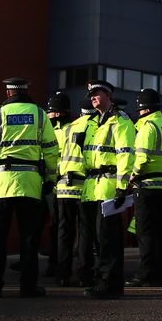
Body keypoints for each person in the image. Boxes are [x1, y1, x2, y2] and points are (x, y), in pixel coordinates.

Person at [0, 76, 59, 298]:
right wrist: (50, 179)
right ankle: (28, 287)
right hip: (30, 184)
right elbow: (51, 150)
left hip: (2, 184)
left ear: (9, 93)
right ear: (26, 91)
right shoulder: (40, 114)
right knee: (29, 237)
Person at [81, 79, 135, 299]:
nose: (92, 97)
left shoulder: (120, 120)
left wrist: (122, 187)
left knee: (108, 239)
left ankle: (110, 285)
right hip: (92, 187)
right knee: (98, 238)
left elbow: (125, 154)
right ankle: (102, 280)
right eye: (91, 95)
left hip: (109, 186)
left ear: (108, 95)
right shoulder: (93, 122)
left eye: (97, 93)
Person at [125, 86, 162, 288]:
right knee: (160, 231)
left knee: (145, 232)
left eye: (140, 109)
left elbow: (141, 157)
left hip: (146, 186)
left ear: (145, 108)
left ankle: (145, 275)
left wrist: (132, 176)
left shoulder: (147, 127)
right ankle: (161, 274)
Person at [65, 96, 95, 285]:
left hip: (64, 185)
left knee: (64, 232)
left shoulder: (70, 126)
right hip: (85, 184)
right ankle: (84, 272)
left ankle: (62, 273)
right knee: (86, 231)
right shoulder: (94, 126)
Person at [44, 91, 74, 279]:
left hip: (59, 185)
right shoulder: (55, 130)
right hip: (50, 184)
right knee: (53, 226)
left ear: (57, 113)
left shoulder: (64, 131)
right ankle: (51, 263)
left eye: (50, 111)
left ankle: (56, 265)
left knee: (58, 227)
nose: (48, 115)